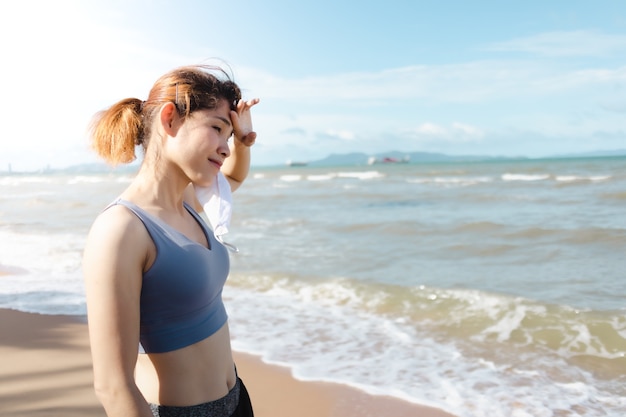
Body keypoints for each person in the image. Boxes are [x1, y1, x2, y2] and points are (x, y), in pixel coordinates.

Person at [82, 64, 259, 417]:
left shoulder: (190, 205)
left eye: (228, 137)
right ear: (170, 120)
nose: (224, 148)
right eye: (216, 129)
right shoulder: (121, 230)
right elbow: (113, 386)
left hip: (238, 399)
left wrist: (242, 140)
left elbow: (234, 174)